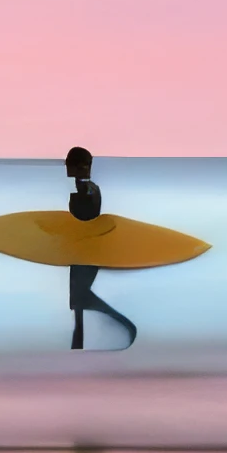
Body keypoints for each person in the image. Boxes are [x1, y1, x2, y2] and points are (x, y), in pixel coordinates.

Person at [62, 147, 135, 349]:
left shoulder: (88, 189)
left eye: (69, 165)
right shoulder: (84, 187)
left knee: (79, 297)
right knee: (77, 301)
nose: (66, 168)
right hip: (80, 249)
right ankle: (78, 342)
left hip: (87, 250)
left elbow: (87, 217)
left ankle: (120, 322)